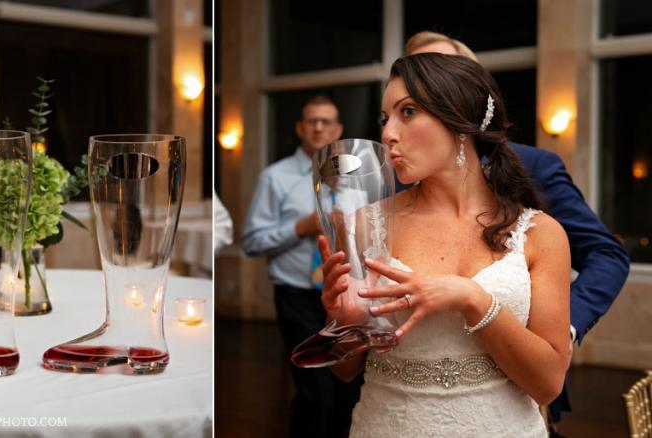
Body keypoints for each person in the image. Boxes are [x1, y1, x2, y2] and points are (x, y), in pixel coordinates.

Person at [321, 53, 571, 436]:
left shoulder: (540, 233)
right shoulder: (364, 225)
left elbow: (548, 384)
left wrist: (472, 298)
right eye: (385, 118)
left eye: (407, 112)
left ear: (459, 122)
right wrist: (345, 321)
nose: (388, 134)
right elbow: (344, 371)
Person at [406, 30, 631, 424]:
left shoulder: (535, 167)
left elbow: (607, 253)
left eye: (442, 76)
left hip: (514, 390)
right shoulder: (392, 181)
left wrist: (564, 328)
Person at [241, 95, 360, 437]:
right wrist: (300, 228)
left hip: (347, 296)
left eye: (326, 121)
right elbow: (251, 242)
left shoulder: (356, 177)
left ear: (338, 129)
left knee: (349, 393)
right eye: (312, 121)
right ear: (300, 128)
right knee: (316, 395)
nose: (319, 127)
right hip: (298, 298)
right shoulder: (274, 178)